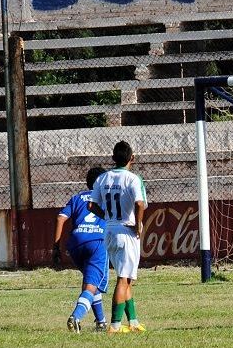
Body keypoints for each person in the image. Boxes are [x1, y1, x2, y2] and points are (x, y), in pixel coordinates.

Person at [88, 141, 148, 334]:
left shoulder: (102, 178)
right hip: (126, 231)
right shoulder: (132, 179)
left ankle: (133, 322)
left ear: (113, 158)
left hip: (110, 230)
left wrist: (106, 217)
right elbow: (140, 204)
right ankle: (114, 325)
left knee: (126, 277)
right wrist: (138, 225)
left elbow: (91, 205)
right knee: (123, 278)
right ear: (132, 158)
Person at [53, 166, 109, 333]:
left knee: (91, 282)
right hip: (97, 242)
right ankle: (75, 317)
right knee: (91, 286)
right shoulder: (106, 197)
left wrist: (56, 246)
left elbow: (60, 218)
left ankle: (101, 322)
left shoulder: (77, 197)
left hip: (76, 243)